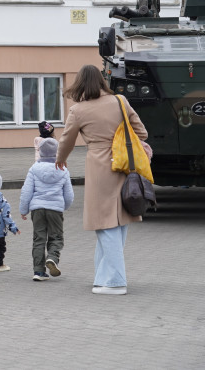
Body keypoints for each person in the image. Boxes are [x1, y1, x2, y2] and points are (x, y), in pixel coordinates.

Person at [56, 65, 151, 296]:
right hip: (125, 164)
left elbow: (66, 140)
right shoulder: (120, 101)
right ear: (101, 81)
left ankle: (117, 281)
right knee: (119, 219)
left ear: (81, 84)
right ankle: (102, 277)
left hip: (100, 166)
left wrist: (60, 160)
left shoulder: (78, 110)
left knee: (103, 224)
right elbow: (142, 132)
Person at [19, 132, 74, 281]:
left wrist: (24, 209)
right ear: (58, 152)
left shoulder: (33, 169)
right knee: (56, 237)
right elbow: (69, 194)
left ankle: (39, 272)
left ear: (40, 151)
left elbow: (26, 191)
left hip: (37, 209)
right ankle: (52, 258)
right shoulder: (63, 170)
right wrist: (64, 206)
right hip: (55, 209)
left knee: (39, 239)